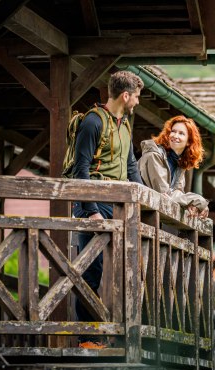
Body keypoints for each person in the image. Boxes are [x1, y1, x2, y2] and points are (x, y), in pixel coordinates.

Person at [71, 70, 144, 349]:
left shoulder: (125, 124)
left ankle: (126, 336)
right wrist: (91, 210)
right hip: (93, 203)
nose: (137, 102)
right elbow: (81, 168)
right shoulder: (92, 122)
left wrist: (144, 201)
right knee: (91, 270)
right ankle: (87, 338)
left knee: (130, 269)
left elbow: (131, 167)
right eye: (136, 97)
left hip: (119, 205)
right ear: (125, 95)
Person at [138, 115, 209, 218]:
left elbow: (176, 193)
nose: (175, 136)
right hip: (136, 211)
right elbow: (163, 196)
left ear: (189, 141)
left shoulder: (179, 164)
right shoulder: (154, 155)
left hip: (150, 215)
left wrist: (190, 203)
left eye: (181, 133)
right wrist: (198, 201)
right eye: (173, 131)